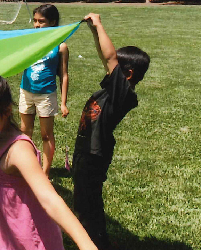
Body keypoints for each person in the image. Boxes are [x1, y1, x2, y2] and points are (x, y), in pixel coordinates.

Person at [0, 67, 97, 250]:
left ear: (6, 111)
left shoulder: (18, 150)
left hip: (31, 241)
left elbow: (49, 198)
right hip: (7, 234)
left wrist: (85, 244)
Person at [73, 13, 150, 250]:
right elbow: (104, 55)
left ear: (127, 74)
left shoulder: (123, 94)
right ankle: (94, 238)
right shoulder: (114, 86)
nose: (109, 66)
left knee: (89, 203)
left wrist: (99, 23)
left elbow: (108, 56)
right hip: (87, 151)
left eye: (116, 66)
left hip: (95, 155)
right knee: (84, 201)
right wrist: (94, 31)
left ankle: (95, 242)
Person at [19, 4, 70, 176]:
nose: (37, 25)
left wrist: (63, 103)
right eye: (35, 21)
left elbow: (63, 75)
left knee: (46, 135)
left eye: (42, 21)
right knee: (25, 133)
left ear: (53, 22)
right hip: (26, 92)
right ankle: (25, 167)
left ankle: (45, 173)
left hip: (46, 95)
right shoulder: (29, 40)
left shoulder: (61, 46)